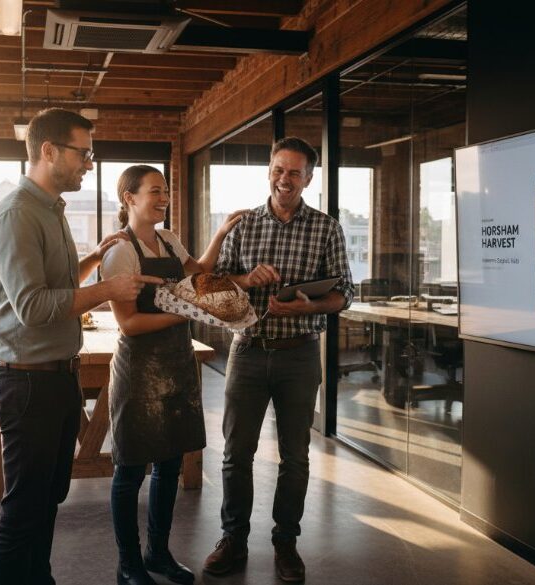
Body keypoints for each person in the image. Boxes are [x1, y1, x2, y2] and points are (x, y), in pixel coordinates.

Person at [0, 109, 162, 585]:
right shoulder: (17, 215)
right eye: (83, 153)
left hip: (56, 377)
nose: (89, 163)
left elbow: (55, 285)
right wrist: (109, 289)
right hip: (27, 384)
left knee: (48, 500)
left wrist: (95, 259)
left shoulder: (49, 209)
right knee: (24, 509)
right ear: (49, 151)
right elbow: (32, 306)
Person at [202, 137, 355, 583]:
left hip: (300, 355)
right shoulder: (244, 225)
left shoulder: (327, 228)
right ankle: (233, 539)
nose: (284, 179)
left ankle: (286, 542)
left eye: (294, 173)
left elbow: (344, 293)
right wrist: (247, 279)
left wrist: (309, 306)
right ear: (269, 171)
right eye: (278, 170)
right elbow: (213, 286)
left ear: (308, 178)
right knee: (236, 454)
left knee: (295, 457)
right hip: (247, 351)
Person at [99, 165, 245, 585]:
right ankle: (129, 565)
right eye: (154, 191)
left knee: (169, 464)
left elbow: (198, 274)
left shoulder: (168, 239)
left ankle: (158, 554)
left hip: (177, 364)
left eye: (165, 191)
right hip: (139, 370)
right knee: (130, 471)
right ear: (129, 198)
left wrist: (221, 234)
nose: (163, 198)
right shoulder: (120, 252)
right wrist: (188, 312)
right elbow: (129, 324)